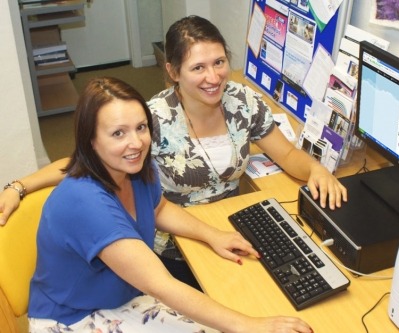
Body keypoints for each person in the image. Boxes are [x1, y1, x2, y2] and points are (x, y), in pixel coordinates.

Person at [0, 15, 346, 290]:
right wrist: (19, 187)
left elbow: (286, 155)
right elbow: (83, 164)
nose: (213, 77)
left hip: (229, 224)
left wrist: (316, 169)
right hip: (173, 245)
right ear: (173, 71)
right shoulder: (151, 118)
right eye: (198, 68)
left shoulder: (243, 101)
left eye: (219, 62)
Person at [23, 76, 313, 333]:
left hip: (122, 295)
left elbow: (158, 208)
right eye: (118, 133)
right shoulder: (85, 201)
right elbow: (160, 284)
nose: (136, 143)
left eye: (140, 128)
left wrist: (212, 235)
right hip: (72, 317)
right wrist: (248, 326)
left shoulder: (134, 167)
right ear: (90, 141)